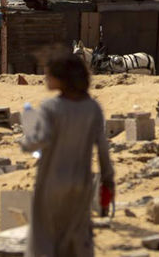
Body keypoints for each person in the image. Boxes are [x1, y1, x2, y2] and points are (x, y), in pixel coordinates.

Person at [21, 52, 115, 257]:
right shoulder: (93, 108)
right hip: (81, 184)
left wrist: (26, 140)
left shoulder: (50, 107)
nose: (46, 78)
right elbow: (103, 148)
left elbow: (40, 139)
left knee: (44, 240)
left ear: (62, 78)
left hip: (51, 183)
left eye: (49, 74)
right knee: (76, 241)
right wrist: (108, 180)